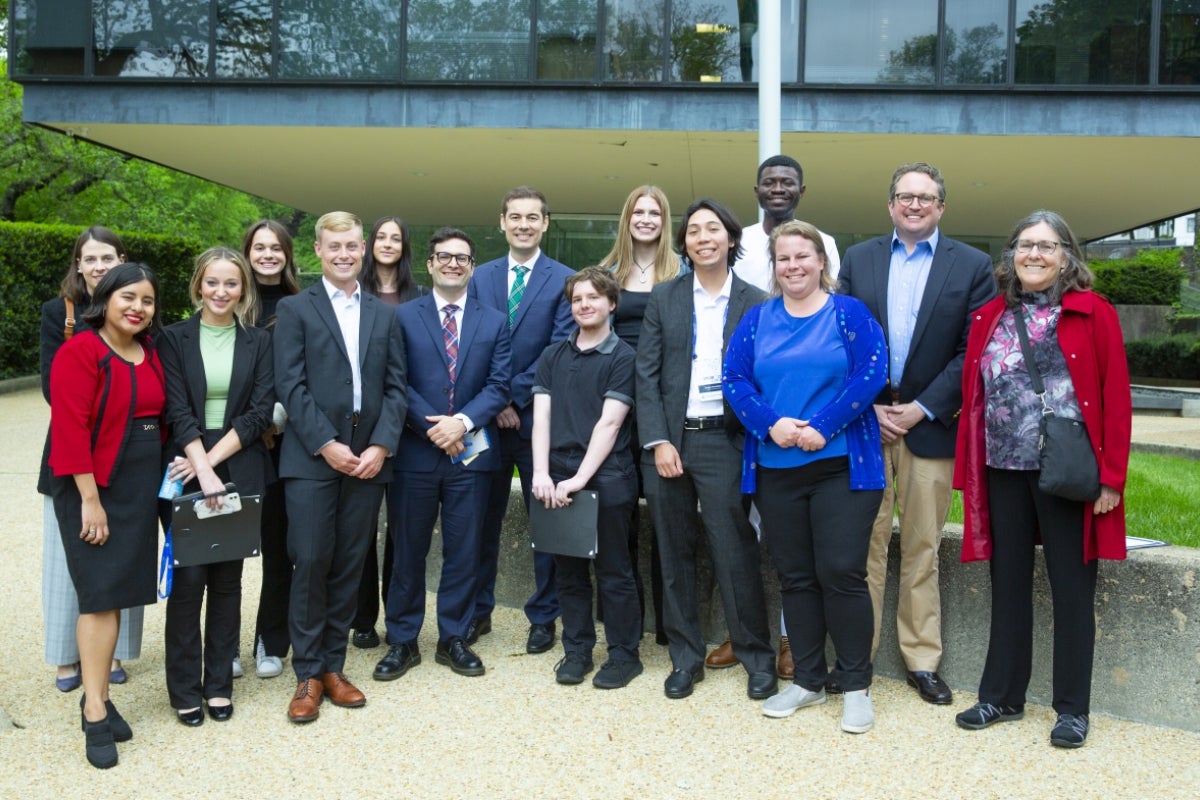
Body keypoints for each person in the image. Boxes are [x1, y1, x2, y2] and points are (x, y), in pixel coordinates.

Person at [953, 210, 1131, 749]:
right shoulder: (988, 316)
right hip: (1003, 469)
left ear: (1067, 257)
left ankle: (1072, 709)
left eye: (1048, 246)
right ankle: (1002, 695)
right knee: (1007, 586)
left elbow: (1116, 398)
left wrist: (1111, 479)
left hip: (1068, 472)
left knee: (1072, 589)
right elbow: (975, 397)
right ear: (1010, 255)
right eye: (1026, 245)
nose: (1035, 255)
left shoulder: (1093, 313)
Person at [838, 162, 995, 704]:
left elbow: (971, 351)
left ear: (941, 207)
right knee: (864, 545)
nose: (914, 205)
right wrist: (870, 407)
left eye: (925, 198)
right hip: (868, 427)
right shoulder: (859, 260)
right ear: (890, 205)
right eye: (905, 196)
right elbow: (844, 340)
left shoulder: (973, 266)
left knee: (923, 547)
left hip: (930, 428)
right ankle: (857, 659)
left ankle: (922, 661)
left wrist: (924, 407)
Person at [724, 221, 887, 733]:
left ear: (822, 262)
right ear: (773, 268)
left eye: (802, 256)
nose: (793, 266)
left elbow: (872, 372)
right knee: (795, 577)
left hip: (841, 467)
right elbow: (734, 378)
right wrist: (771, 422)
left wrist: (823, 425)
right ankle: (810, 681)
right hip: (777, 470)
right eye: (783, 258)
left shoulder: (849, 313)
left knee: (841, 571)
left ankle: (856, 685)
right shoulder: (757, 319)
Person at [636, 198, 774, 702]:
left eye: (712, 229)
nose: (702, 237)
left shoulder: (757, 301)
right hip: (672, 441)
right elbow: (645, 377)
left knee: (733, 550)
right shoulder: (664, 299)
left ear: (731, 239)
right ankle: (685, 657)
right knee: (673, 553)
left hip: (725, 439)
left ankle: (756, 657)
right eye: (693, 230)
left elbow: (765, 377)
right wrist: (658, 441)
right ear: (685, 243)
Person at [273, 211, 407, 723]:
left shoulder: (384, 314)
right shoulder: (295, 309)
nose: (345, 254)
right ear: (318, 251)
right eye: (335, 247)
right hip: (312, 455)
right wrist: (326, 442)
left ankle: (334, 666)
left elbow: (396, 387)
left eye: (353, 245)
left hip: (368, 458)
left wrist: (381, 445)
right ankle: (306, 673)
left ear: (364, 248)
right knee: (310, 559)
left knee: (350, 564)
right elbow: (290, 384)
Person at [720, 154, 841, 676]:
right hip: (750, 412)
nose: (777, 188)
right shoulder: (740, 242)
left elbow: (829, 325)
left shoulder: (825, 242)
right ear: (756, 189)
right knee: (743, 532)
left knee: (800, 543)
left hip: (808, 421)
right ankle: (744, 633)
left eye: (786, 182)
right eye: (769, 182)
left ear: (801, 189)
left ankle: (795, 640)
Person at [373, 227, 510, 682]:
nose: (453, 264)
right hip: (415, 454)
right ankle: (403, 641)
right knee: (407, 550)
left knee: (464, 550)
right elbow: (396, 381)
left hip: (471, 458)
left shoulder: (494, 320)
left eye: (463, 258)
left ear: (472, 267)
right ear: (429, 264)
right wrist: (435, 427)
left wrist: (463, 424)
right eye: (445, 257)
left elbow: (499, 385)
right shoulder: (403, 317)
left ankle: (453, 637)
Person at [49, 263, 165, 769]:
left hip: (139, 487)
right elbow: (70, 430)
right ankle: (94, 710)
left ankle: (98, 694)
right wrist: (90, 500)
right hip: (93, 486)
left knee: (115, 594)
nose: (138, 308)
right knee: (98, 598)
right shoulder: (81, 351)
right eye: (129, 298)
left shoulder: (150, 352)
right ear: (106, 297)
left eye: (147, 300)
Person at [159, 248, 275, 726]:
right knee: (189, 583)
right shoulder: (173, 338)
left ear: (243, 289)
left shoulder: (258, 342)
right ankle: (184, 689)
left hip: (241, 465)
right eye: (213, 283)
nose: (221, 292)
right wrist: (201, 467)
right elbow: (176, 407)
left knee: (228, 582)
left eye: (231, 284)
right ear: (198, 286)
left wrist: (211, 463)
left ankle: (218, 687)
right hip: (186, 466)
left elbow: (259, 412)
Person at [469, 186, 574, 655]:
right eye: (515, 217)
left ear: (545, 223)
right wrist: (495, 403)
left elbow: (558, 350)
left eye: (533, 217)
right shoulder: (479, 278)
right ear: (502, 222)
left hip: (539, 422)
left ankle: (544, 616)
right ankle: (477, 610)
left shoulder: (565, 280)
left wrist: (511, 396)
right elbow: (472, 345)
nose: (524, 225)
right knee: (477, 522)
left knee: (545, 525)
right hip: (487, 426)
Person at [39, 226, 143, 693]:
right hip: (73, 456)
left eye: (107, 257)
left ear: (121, 259)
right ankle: (67, 659)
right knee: (69, 565)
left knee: (125, 563)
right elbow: (53, 393)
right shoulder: (60, 316)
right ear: (78, 265)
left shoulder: (137, 310)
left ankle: (115, 654)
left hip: (129, 464)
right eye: (90, 258)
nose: (99, 266)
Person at [532, 267, 642, 689]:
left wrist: (578, 479)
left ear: (611, 304)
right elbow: (541, 419)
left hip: (606, 477)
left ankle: (623, 655)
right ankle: (576, 650)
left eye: (593, 297)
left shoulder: (623, 357)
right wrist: (541, 472)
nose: (584, 305)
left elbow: (610, 425)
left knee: (615, 571)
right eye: (577, 299)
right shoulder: (552, 357)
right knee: (570, 573)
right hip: (556, 477)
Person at [598, 185, 682, 645]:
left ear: (664, 220)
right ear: (627, 218)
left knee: (666, 516)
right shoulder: (608, 271)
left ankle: (671, 625)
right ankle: (620, 619)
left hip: (662, 406)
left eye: (654, 212)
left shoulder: (682, 271)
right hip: (612, 403)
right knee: (617, 511)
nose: (646, 219)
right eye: (638, 211)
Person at [352, 215, 430, 650]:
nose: (387, 244)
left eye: (395, 237)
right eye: (380, 237)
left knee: (403, 531)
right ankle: (362, 617)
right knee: (362, 530)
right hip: (362, 430)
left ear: (405, 246)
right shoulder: (352, 295)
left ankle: (398, 617)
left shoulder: (419, 296)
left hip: (410, 430)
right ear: (368, 245)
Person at [242, 219, 301, 680]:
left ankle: (271, 637)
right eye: (259, 247)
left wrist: (276, 418)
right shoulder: (228, 299)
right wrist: (252, 423)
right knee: (223, 549)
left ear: (287, 254)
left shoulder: (300, 304)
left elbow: (299, 371)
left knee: (279, 548)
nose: (267, 255)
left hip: (282, 444)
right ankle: (223, 646)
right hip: (234, 444)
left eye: (275, 247)